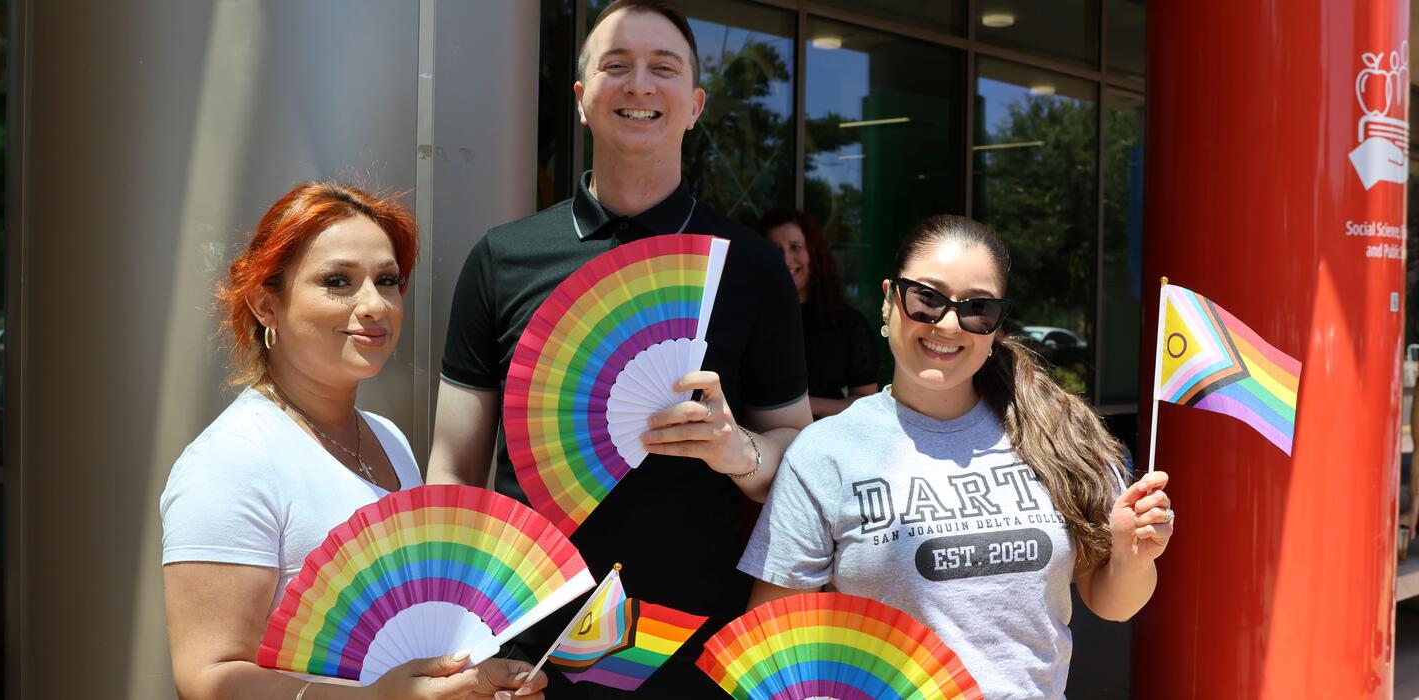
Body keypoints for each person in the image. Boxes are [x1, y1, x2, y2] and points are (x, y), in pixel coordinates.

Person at [428, 1, 811, 696]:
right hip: (526, 650)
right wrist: (457, 637)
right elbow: (454, 469)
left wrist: (739, 451)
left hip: (694, 649)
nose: (640, 84)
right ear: (581, 100)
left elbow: (798, 453)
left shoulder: (750, 267)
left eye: (663, 69)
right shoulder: (502, 259)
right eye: (616, 66)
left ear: (695, 105)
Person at [740, 215, 1175, 697]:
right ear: (889, 301)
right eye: (926, 298)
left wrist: (1134, 559)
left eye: (977, 308)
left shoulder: (1056, 437)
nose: (948, 323)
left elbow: (1113, 604)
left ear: (995, 325)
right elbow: (771, 644)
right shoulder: (826, 453)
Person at [161, 182, 547, 700]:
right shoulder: (231, 461)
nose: (375, 305)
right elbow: (207, 678)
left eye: (388, 281)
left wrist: (472, 682)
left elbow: (410, 658)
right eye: (338, 281)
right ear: (264, 305)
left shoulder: (387, 439)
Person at [760, 207, 878, 418]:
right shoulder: (753, 320)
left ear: (814, 254)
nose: (786, 259)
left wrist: (804, 405)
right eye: (774, 249)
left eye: (795, 247)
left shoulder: (847, 324)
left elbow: (867, 402)